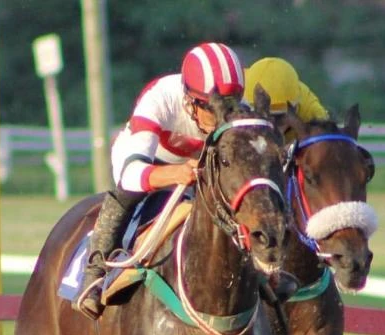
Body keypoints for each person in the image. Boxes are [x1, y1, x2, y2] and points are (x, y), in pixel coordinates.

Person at [74, 42, 246, 320]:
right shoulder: (160, 97)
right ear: (189, 99)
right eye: (210, 108)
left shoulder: (241, 111)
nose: (221, 118)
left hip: (198, 167)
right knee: (128, 192)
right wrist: (174, 174)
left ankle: (266, 275)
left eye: (230, 107)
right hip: (146, 159)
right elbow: (132, 173)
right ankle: (94, 275)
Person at [244, 57, 329, 139]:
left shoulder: (314, 114)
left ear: (295, 108)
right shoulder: (236, 91)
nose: (271, 127)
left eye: (278, 118)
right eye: (261, 116)